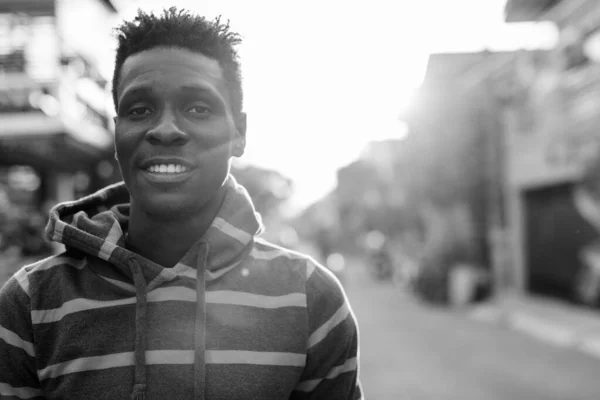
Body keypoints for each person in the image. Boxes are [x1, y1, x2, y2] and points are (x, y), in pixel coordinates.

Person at [0, 8, 362, 399]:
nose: (166, 129)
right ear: (116, 129)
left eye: (197, 108)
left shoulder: (312, 300)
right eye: (139, 110)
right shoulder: (31, 302)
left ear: (238, 133)